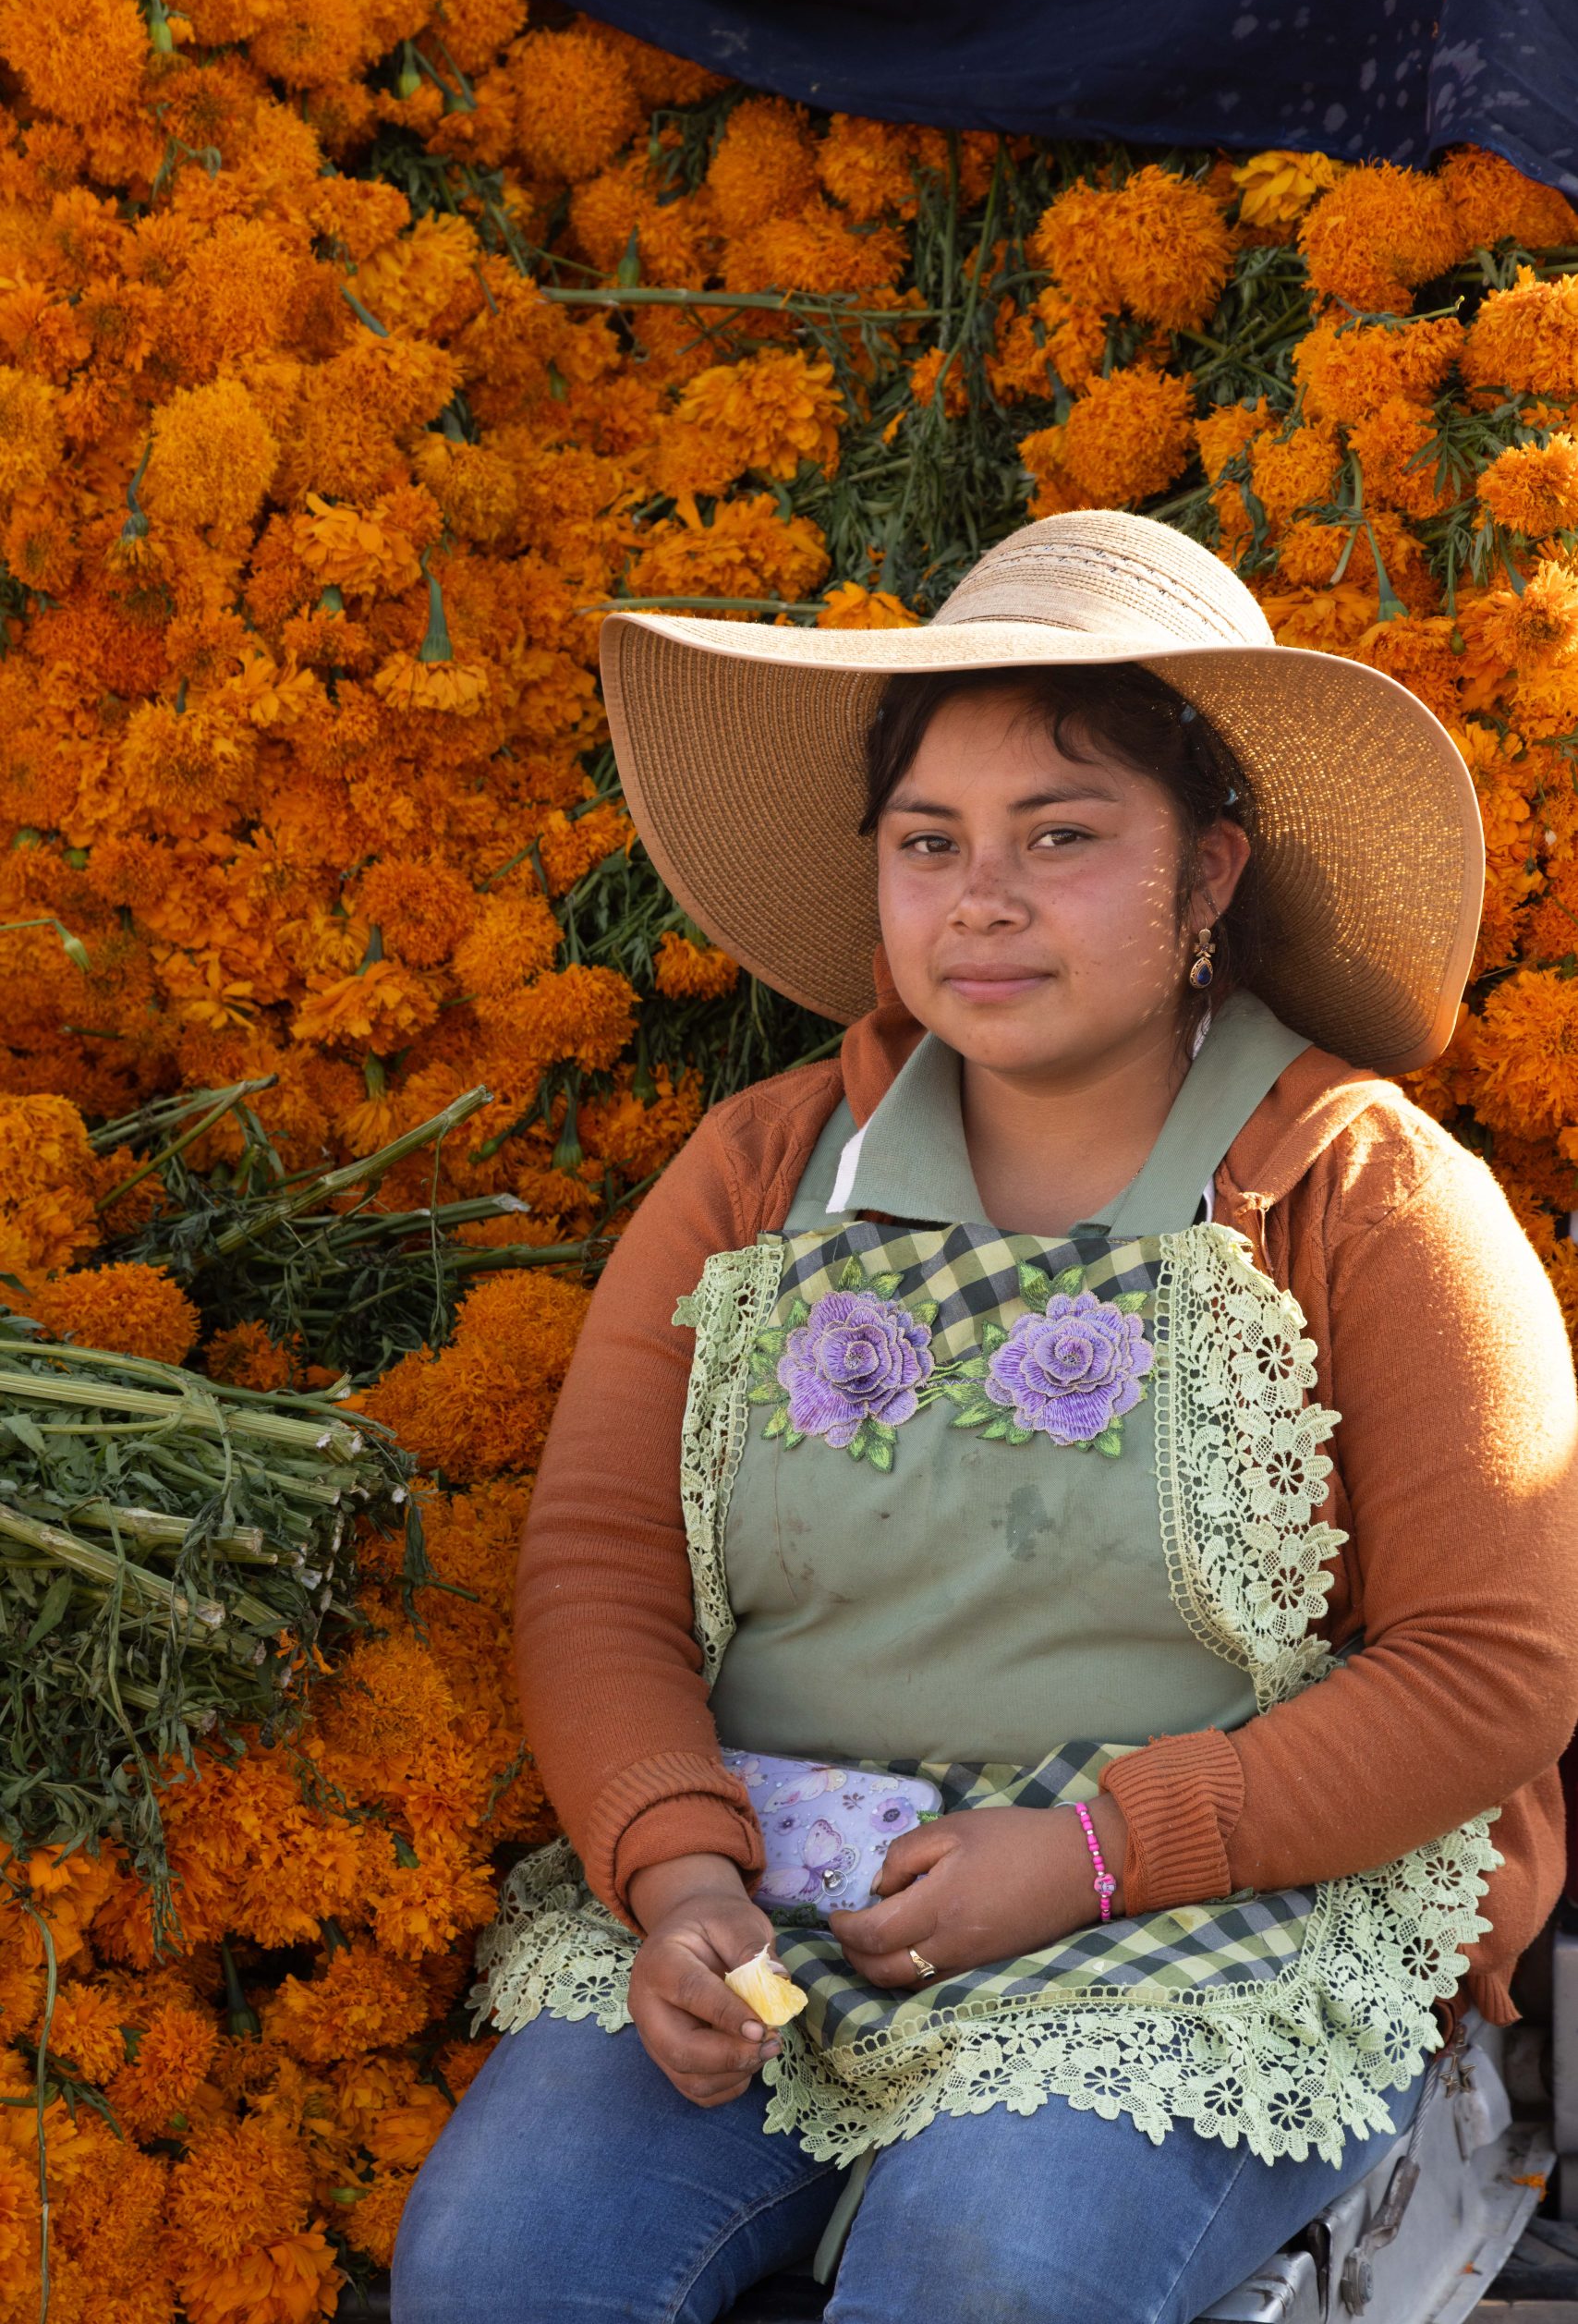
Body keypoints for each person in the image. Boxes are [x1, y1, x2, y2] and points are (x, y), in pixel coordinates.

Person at [392, 510, 1578, 2324]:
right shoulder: (763, 1173)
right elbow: (597, 1567)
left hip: (1202, 1922)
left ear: (1208, 872)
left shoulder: (1365, 1195)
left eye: (1062, 835)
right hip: (789, 1906)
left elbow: (1490, 1670)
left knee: (988, 2268)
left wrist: (1094, 1851)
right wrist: (680, 1874)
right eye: (927, 841)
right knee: (503, 2260)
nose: (982, 897)